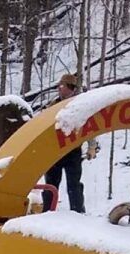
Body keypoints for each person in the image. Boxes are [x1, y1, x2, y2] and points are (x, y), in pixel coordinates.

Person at [45, 73, 87, 213]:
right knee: (51, 186)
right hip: (54, 152)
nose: (59, 88)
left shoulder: (79, 105)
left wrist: (92, 145)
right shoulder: (53, 105)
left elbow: (89, 125)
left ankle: (78, 213)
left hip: (73, 152)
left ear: (70, 88)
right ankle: (47, 213)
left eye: (61, 86)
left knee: (74, 186)